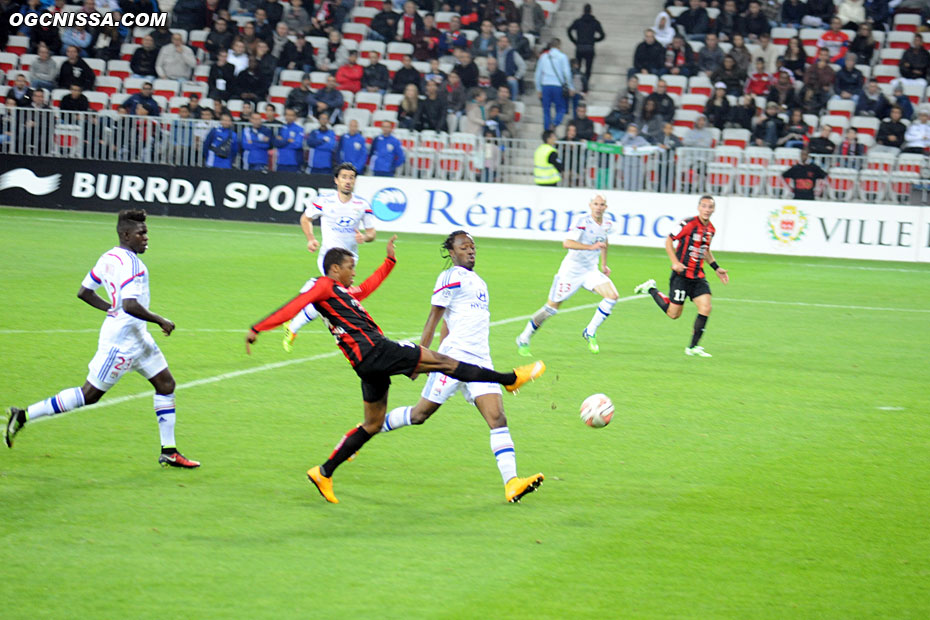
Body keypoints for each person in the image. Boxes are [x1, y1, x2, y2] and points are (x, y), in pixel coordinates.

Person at [245, 236, 546, 504]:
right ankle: (509, 378)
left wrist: (389, 261)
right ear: (335, 269)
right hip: (376, 349)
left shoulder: (344, 293)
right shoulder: (325, 286)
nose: (354, 272)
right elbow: (298, 303)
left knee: (372, 424)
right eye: (350, 266)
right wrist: (259, 327)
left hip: (366, 365)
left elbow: (368, 287)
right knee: (445, 364)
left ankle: (324, 471)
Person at [5, 210, 200, 468]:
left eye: (146, 232)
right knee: (89, 395)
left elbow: (85, 292)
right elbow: (130, 305)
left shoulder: (108, 257)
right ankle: (24, 415)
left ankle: (169, 451)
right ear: (126, 234)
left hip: (138, 339)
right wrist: (160, 319)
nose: (146, 237)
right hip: (120, 344)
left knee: (166, 384)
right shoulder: (132, 264)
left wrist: (110, 308)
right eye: (141, 233)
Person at [375, 230, 545, 502]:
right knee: (419, 415)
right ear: (452, 253)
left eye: (473, 246)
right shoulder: (449, 276)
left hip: (480, 360)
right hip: (453, 360)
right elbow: (434, 318)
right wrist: (422, 359)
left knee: (498, 418)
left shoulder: (479, 282)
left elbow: (447, 324)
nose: (470, 250)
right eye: (464, 247)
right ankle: (369, 429)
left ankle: (511, 483)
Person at [282, 162, 376, 350]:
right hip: (329, 259)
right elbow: (305, 218)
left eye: (351, 178)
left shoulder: (362, 205)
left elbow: (372, 233)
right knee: (332, 296)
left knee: (327, 299)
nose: (348, 181)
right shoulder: (325, 200)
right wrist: (310, 238)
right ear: (336, 180)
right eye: (344, 177)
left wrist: (364, 237)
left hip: (350, 262)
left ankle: (297, 319)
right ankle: (307, 327)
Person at [516, 194, 620, 355]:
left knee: (612, 296)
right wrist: (591, 247)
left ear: (606, 207)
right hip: (571, 271)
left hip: (590, 271)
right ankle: (524, 337)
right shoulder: (582, 222)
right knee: (551, 309)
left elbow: (604, 242)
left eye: (602, 204)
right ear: (590, 205)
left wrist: (604, 264)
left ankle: (590, 331)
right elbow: (567, 243)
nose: (599, 207)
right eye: (596, 204)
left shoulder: (607, 224)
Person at [633, 195, 729, 358]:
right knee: (673, 314)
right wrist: (675, 262)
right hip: (681, 275)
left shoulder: (711, 229)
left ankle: (692, 347)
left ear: (713, 210)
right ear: (699, 208)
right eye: (704, 206)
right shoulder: (688, 224)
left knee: (706, 307)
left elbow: (705, 250)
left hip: (698, 276)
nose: (707, 209)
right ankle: (651, 289)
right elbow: (669, 241)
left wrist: (716, 267)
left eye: (710, 207)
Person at [535, 38, 572, 131]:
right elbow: (567, 73)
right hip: (558, 86)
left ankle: (547, 131)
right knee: (561, 109)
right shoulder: (562, 57)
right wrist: (570, 86)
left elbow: (538, 74)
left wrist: (538, 89)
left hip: (545, 85)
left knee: (546, 111)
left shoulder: (543, 56)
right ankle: (554, 123)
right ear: (559, 46)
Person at [566, 3, 605, 93]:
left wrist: (574, 41)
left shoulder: (578, 21)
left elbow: (569, 30)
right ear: (591, 11)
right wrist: (594, 40)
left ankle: (577, 85)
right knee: (588, 68)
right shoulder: (595, 22)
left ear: (583, 11)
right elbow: (602, 35)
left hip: (579, 47)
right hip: (590, 48)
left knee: (577, 68)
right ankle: (585, 87)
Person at [275, 107, 305, 172]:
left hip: (294, 162)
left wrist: (283, 141)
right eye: (287, 115)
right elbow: (277, 143)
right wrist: (288, 140)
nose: (289, 117)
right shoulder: (281, 128)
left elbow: (298, 144)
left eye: (291, 115)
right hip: (281, 161)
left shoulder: (299, 129)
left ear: (295, 117)